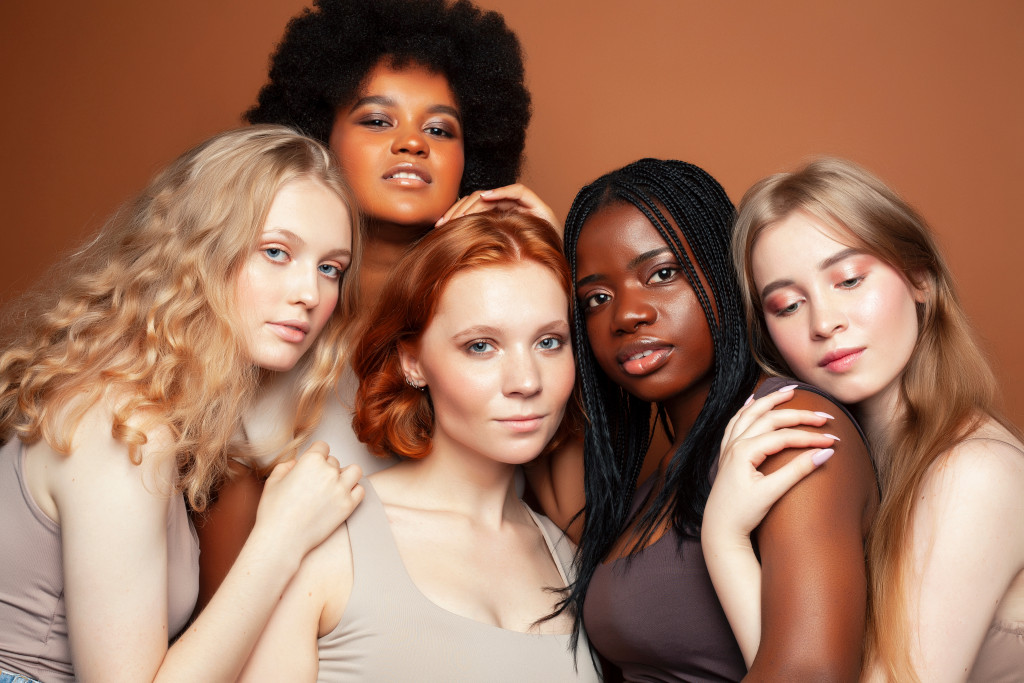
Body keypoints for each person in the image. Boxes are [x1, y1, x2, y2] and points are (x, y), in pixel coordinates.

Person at [196, 0, 555, 610]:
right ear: (318, 138)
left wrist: (551, 264)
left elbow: (578, 540)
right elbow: (225, 602)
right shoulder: (262, 331)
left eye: (440, 129)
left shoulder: (510, 337)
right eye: (377, 121)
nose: (413, 143)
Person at [0, 126, 363, 682]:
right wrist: (282, 535)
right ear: (200, 251)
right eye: (275, 252)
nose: (310, 294)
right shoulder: (123, 424)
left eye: (329, 268)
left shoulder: (169, 409)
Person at [544, 158, 878, 680]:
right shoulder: (646, 487)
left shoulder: (786, 427)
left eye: (661, 274)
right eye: (596, 299)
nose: (626, 314)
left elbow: (811, 673)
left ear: (725, 274)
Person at [237, 211, 601, 681]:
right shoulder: (326, 536)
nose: (527, 381)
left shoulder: (571, 558)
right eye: (481, 346)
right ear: (413, 361)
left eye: (549, 342)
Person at [703, 157, 1024, 681]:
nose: (825, 322)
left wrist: (725, 543)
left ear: (920, 277)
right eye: (786, 305)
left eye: (849, 280)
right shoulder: (853, 466)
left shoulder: (976, 473)